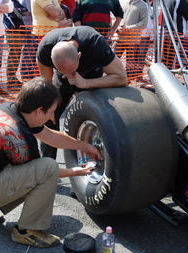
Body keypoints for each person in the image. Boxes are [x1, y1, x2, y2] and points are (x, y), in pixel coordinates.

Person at [0, 77, 103, 248]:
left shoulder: (11, 110)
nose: (54, 119)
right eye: (51, 112)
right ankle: (26, 230)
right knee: (47, 167)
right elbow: (43, 173)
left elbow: (50, 135)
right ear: (39, 110)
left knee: (32, 167)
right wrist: (76, 171)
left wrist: (84, 146)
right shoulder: (19, 139)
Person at [36, 26, 127, 159]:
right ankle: (49, 166)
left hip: (92, 79)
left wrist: (85, 83)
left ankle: (104, 157)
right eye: (65, 72)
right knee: (49, 117)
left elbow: (121, 77)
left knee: (102, 117)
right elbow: (46, 86)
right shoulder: (45, 47)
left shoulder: (95, 43)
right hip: (61, 84)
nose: (69, 76)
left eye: (72, 71)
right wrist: (49, 108)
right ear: (51, 58)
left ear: (79, 55)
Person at [115, 0, 148, 78]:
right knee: (112, 58)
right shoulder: (121, 2)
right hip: (119, 37)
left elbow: (143, 23)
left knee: (130, 63)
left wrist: (128, 29)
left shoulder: (143, 5)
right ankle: (111, 77)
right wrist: (117, 27)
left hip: (132, 40)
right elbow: (114, 17)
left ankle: (129, 82)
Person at [3, 0, 28, 89]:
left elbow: (25, 10)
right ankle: (11, 81)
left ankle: (13, 79)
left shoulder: (15, 1)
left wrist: (20, 10)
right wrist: (19, 10)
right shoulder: (6, 1)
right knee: (13, 56)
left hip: (18, 31)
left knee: (16, 56)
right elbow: (18, 14)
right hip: (12, 30)